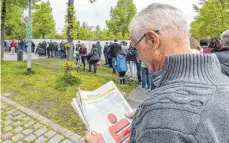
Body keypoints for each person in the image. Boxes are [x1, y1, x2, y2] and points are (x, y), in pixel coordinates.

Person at [84, 3, 229, 143]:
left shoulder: (160, 116)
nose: (139, 56)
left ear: (152, 40)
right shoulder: (223, 82)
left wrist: (153, 121)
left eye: (136, 47)